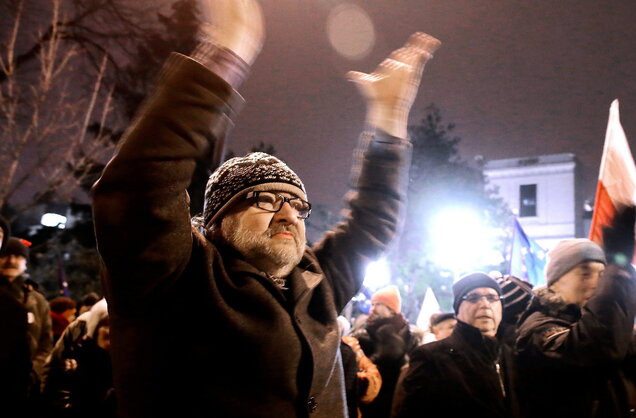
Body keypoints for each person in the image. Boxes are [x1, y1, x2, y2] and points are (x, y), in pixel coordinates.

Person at [90, 0, 440, 414]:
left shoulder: (316, 282)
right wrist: (226, 51)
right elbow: (138, 187)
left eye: (296, 204)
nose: (289, 213)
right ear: (219, 220)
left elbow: (372, 222)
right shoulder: (173, 276)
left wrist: (388, 119)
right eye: (266, 200)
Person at [516, 209, 636, 418]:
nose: (596, 283)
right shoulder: (537, 330)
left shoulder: (618, 335)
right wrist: (618, 272)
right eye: (584, 272)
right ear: (554, 281)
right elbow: (595, 350)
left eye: (603, 274)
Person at [391, 272, 519, 417]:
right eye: (473, 298)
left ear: (501, 308)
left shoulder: (513, 355)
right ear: (458, 310)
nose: (484, 304)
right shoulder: (432, 357)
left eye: (492, 298)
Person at [352, 285, 422, 418]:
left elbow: (413, 371)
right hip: (367, 402)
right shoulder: (362, 333)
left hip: (396, 401)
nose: (372, 308)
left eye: (378, 304)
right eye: (372, 304)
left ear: (391, 309)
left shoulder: (410, 337)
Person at [0, 237, 52, 392]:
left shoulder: (37, 300)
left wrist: (35, 370)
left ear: (25, 263)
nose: (11, 261)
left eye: (18, 256)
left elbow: (46, 342)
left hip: (28, 385)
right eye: (5, 256)